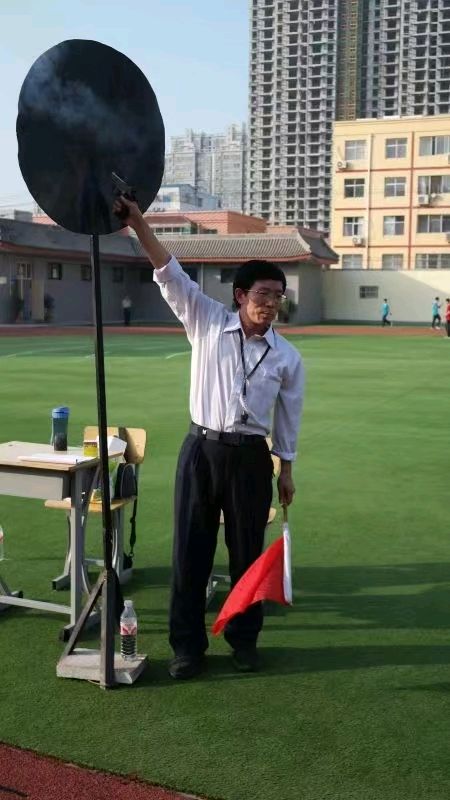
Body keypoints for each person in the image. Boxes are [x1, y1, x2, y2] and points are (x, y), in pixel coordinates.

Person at [113, 196, 304, 680]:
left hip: (252, 459)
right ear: (240, 295)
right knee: (190, 553)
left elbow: (288, 417)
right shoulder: (206, 321)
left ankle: (244, 640)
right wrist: (138, 222)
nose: (271, 303)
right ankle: (187, 648)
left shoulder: (287, 356)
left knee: (247, 556)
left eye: (278, 296)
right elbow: (168, 271)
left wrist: (286, 470)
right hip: (201, 450)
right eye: (263, 293)